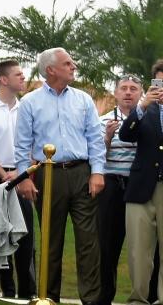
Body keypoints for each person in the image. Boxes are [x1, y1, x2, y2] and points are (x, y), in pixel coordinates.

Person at [14, 47, 105, 304]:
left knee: (88, 241)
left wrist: (97, 172)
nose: (73, 66)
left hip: (81, 173)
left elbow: (95, 140)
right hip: (47, 175)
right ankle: (48, 298)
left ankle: (91, 300)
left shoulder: (83, 100)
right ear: (51, 70)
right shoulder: (30, 102)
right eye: (67, 63)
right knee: (50, 240)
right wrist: (24, 178)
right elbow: (22, 145)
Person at [0, 60, 35, 298]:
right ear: (3, 80)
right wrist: (1, 172)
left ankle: (26, 293)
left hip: (22, 175)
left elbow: (33, 143)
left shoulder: (25, 108)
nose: (23, 78)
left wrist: (21, 171)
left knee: (24, 235)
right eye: (18, 74)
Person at [96, 74, 140, 305]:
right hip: (111, 185)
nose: (128, 92)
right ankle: (105, 296)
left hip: (138, 188)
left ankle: (144, 295)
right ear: (115, 93)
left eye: (133, 88)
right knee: (108, 245)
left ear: (141, 93)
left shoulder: (148, 120)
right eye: (123, 88)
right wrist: (107, 138)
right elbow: (94, 157)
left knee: (141, 247)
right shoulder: (102, 120)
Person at [119, 78, 163, 304]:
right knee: (139, 251)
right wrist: (142, 106)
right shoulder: (145, 110)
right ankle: (138, 299)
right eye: (159, 83)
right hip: (141, 188)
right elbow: (125, 135)